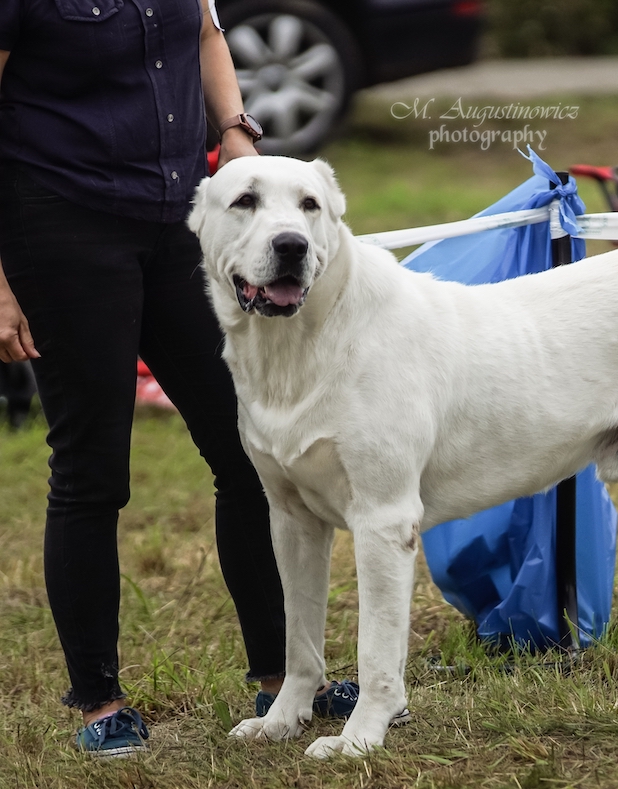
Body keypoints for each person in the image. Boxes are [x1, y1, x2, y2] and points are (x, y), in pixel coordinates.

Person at [0, 0, 366, 757]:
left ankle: (284, 680)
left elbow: (204, 30)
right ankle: (100, 700)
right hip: (61, 225)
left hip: (179, 220)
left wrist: (233, 129)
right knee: (92, 469)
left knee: (250, 452)